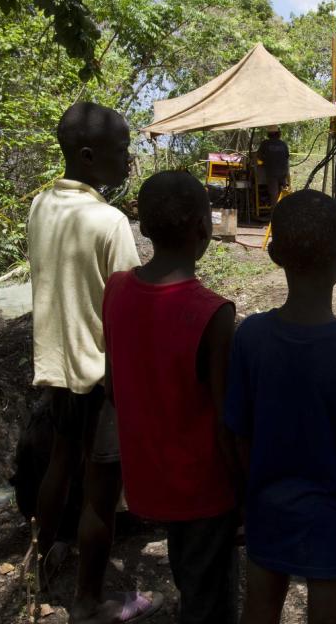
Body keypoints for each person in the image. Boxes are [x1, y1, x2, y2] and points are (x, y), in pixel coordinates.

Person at [224, 190, 336, 624]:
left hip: (268, 512)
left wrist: (250, 498)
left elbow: (239, 434)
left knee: (258, 613)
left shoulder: (250, 338)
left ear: (273, 253)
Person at [29, 102, 161, 622]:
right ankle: (89, 601)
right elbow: (128, 308)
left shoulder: (42, 206)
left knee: (60, 464)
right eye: (122, 150)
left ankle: (41, 560)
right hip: (101, 376)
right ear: (88, 156)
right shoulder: (109, 222)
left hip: (56, 367)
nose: (128, 161)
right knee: (101, 492)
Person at [102, 171, 240, 624]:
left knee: (190, 568)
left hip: (147, 477)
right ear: (204, 229)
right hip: (203, 487)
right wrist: (245, 489)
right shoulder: (213, 313)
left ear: (143, 227)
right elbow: (226, 421)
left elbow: (112, 386)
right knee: (208, 595)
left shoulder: (116, 290)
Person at [257, 125, 290, 200]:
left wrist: (264, 161)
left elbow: (259, 157)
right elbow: (287, 157)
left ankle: (274, 210)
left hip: (272, 172)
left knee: (274, 195)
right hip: (283, 172)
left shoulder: (265, 143)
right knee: (284, 193)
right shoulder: (283, 144)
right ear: (278, 133)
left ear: (269, 134)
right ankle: (285, 208)